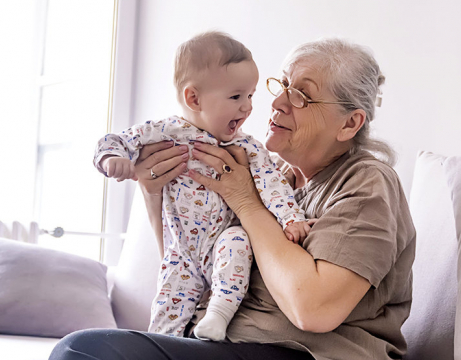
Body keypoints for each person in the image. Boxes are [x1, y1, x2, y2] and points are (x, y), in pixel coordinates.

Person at [50, 38, 416, 360]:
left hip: (304, 352)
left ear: (349, 124)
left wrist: (245, 201)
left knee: (84, 351)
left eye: (302, 95)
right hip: (223, 341)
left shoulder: (367, 182)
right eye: (282, 85)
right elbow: (192, 263)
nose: (278, 102)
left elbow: (313, 310)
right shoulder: (270, 173)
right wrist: (152, 191)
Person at [93, 31, 309, 341]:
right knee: (166, 313)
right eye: (236, 97)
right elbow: (116, 140)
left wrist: (291, 218)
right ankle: (162, 344)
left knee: (238, 241)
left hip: (222, 243)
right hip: (181, 252)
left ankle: (218, 314)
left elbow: (273, 184)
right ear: (193, 98)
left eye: (250, 96)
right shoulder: (165, 132)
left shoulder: (246, 146)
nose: (247, 108)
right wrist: (111, 158)